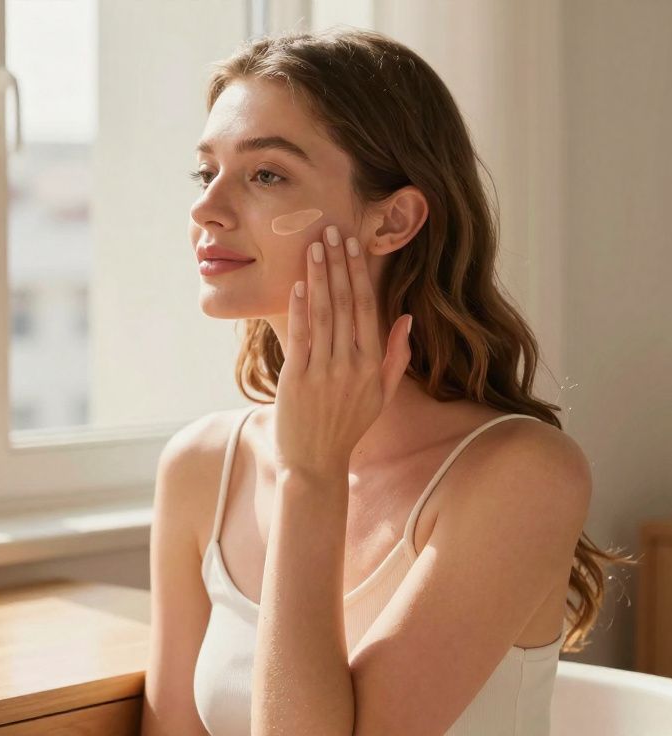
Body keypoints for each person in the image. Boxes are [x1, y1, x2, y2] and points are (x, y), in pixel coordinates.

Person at [141, 27, 635, 736]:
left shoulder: (522, 477)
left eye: (266, 175)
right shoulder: (199, 469)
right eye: (206, 171)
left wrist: (312, 474)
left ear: (393, 219)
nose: (205, 209)